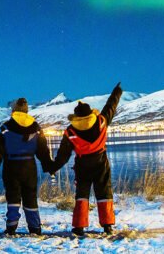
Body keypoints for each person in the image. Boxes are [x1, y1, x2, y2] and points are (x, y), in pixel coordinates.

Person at [51, 82, 123, 236]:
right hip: (100, 162)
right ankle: (107, 225)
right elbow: (111, 106)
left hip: (82, 165)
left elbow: (63, 155)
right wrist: (117, 92)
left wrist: (52, 167)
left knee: (82, 195)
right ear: (91, 113)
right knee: (104, 192)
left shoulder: (70, 131)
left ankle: (79, 226)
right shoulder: (101, 121)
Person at [0, 97, 54, 235]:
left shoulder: (5, 128)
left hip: (11, 166)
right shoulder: (36, 127)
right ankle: (35, 227)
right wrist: (49, 165)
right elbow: (43, 150)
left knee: (13, 197)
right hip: (29, 166)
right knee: (30, 196)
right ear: (26, 110)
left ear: (14, 110)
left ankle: (11, 227)